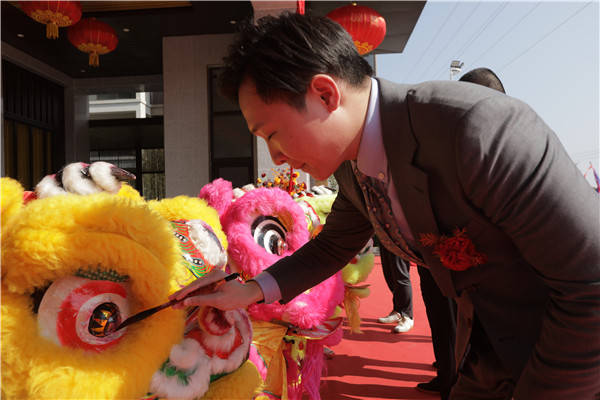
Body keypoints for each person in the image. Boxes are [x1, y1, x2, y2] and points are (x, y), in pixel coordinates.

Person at [171, 12, 600, 399]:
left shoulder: (477, 131)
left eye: (271, 134)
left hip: (569, 355)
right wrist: (247, 291)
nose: (277, 157)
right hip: (487, 349)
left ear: (324, 94)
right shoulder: (351, 162)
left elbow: (591, 282)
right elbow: (332, 246)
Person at [377, 245, 414, 333]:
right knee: (390, 274)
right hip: (385, 236)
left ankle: (407, 316)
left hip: (399, 237)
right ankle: (398, 311)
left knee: (400, 275)